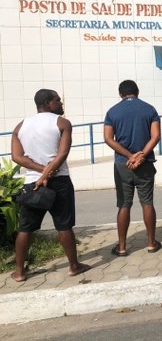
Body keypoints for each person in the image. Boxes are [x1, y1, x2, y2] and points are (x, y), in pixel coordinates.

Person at [10, 89, 91, 281]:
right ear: (47, 103)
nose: (61, 103)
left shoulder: (20, 126)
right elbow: (62, 154)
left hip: (33, 184)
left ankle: (20, 272)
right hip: (60, 181)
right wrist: (47, 172)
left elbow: (17, 157)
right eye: (57, 100)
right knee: (64, 226)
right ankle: (73, 266)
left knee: (26, 228)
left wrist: (40, 173)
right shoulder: (62, 123)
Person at [104, 80, 162, 256]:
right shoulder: (150, 109)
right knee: (147, 203)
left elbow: (108, 138)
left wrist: (129, 156)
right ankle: (151, 243)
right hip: (144, 164)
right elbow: (156, 136)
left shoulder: (112, 112)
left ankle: (121, 247)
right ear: (137, 91)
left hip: (123, 164)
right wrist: (141, 155)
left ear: (120, 94)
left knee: (124, 205)